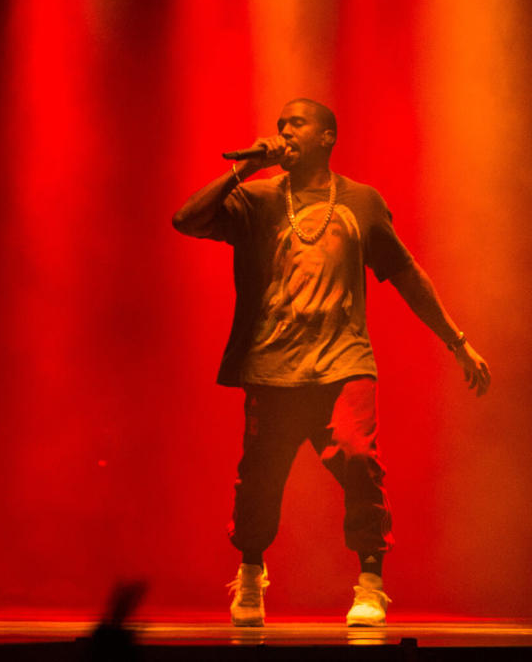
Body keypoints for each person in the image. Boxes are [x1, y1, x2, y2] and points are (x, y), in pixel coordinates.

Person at [172, 98, 490, 627]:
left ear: (327, 137)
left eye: (296, 124)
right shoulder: (257, 198)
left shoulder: (362, 202)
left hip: (343, 361)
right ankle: (251, 573)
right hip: (272, 366)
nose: (284, 132)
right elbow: (186, 219)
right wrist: (243, 170)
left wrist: (456, 341)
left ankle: (370, 581)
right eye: (280, 126)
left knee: (359, 456)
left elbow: (408, 276)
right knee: (259, 479)